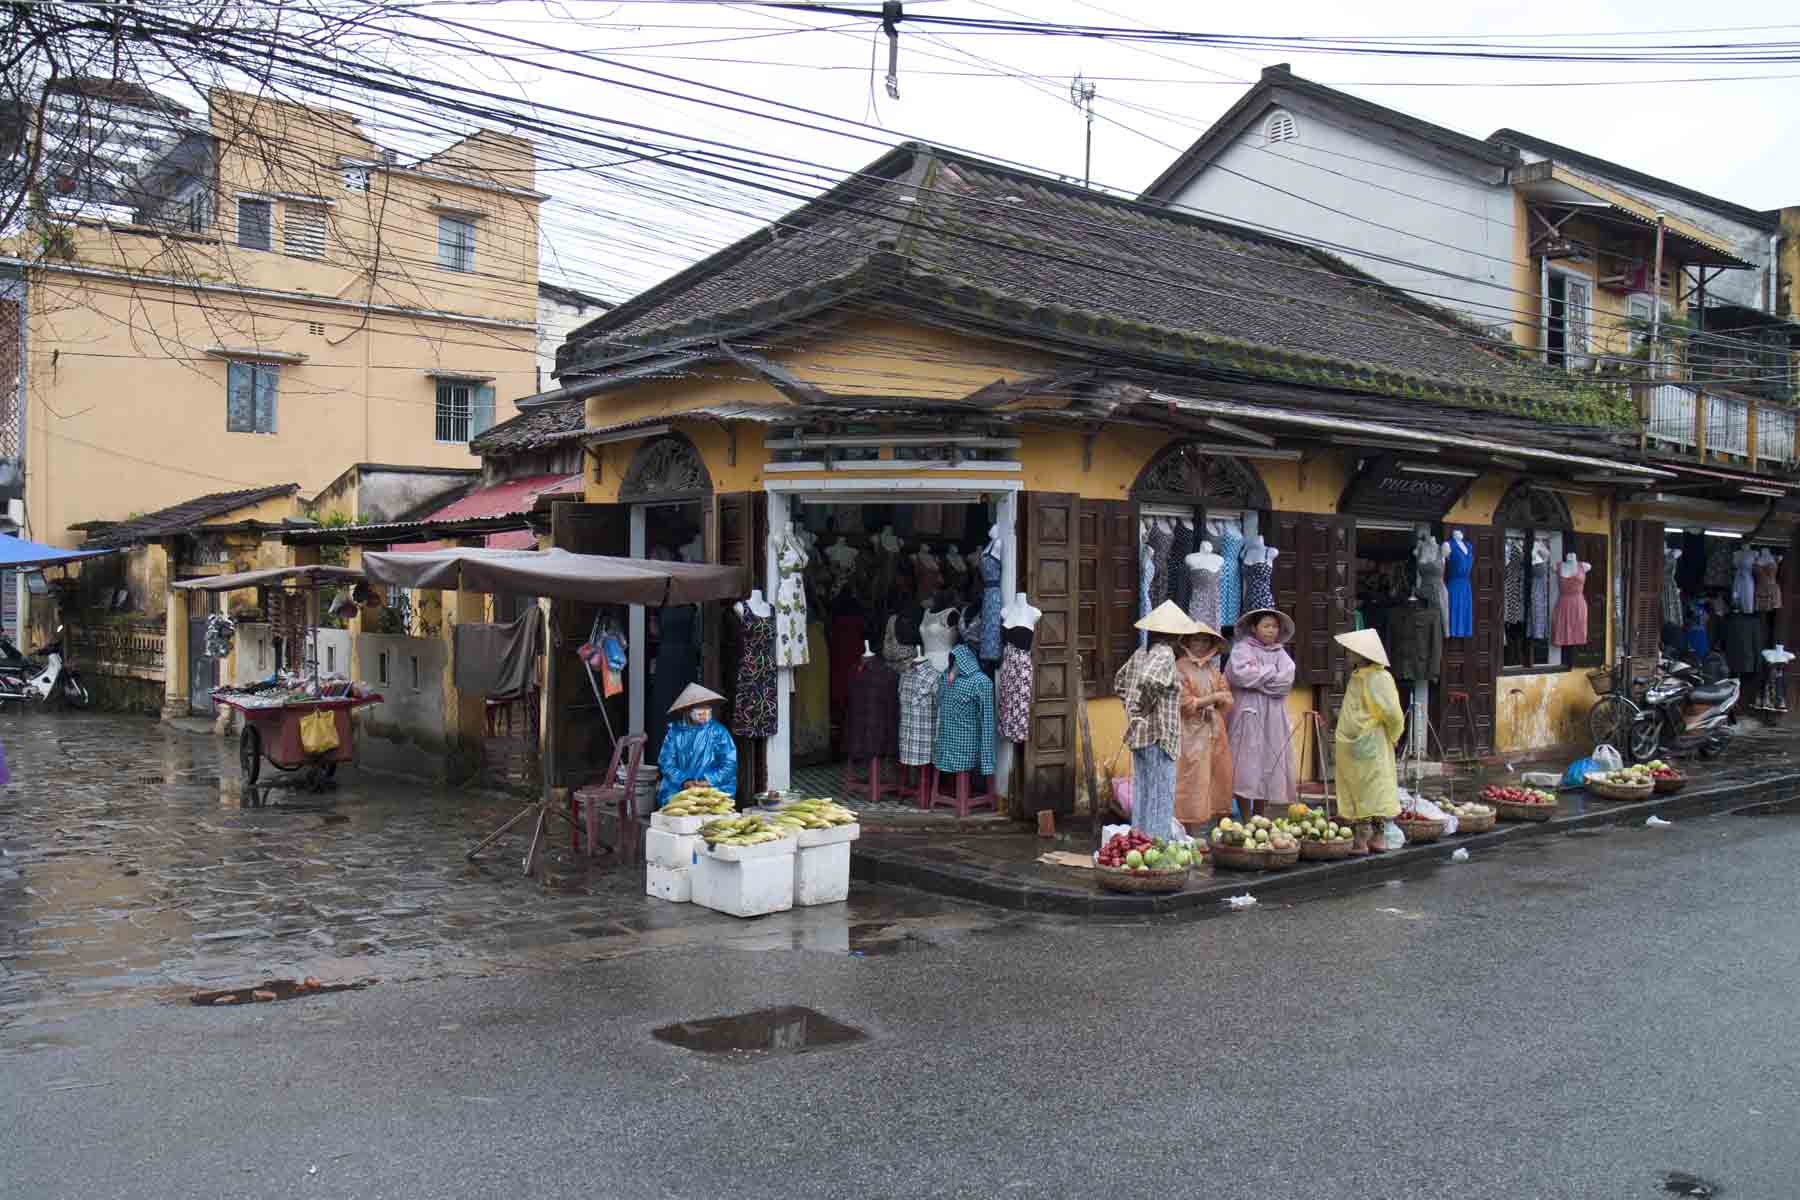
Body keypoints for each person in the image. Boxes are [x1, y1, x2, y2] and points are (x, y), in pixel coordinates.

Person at [1114, 600, 1203, 842]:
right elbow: (1149, 681)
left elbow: (1120, 682)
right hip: (1159, 736)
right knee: (1159, 797)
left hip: (1140, 735)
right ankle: (1156, 846)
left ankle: (1139, 843)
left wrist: (1133, 713)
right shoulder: (1164, 653)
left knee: (1143, 794)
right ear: (1175, 635)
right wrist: (1144, 708)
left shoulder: (1141, 653)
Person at [1332, 629, 1406, 855]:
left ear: (1361, 654)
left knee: (1370, 786)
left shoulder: (1379, 677)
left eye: (1350, 651)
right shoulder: (1359, 676)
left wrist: (1394, 735)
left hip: (1371, 739)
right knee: (1364, 785)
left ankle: (1367, 838)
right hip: (1355, 742)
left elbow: (1393, 713)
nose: (1347, 654)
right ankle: (1370, 838)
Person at [1224, 607, 1299, 820]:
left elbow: (1285, 682)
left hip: (1273, 717)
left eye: (1274, 626)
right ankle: (1246, 817)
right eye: (1266, 626)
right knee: (1245, 763)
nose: (1271, 630)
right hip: (1248, 714)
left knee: (1268, 762)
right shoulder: (1242, 649)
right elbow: (1240, 676)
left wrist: (1258, 676)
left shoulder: (1281, 653)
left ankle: (1260, 816)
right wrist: (1271, 672)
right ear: (1254, 628)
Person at [1174, 623, 1234, 833]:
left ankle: (1211, 831)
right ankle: (1186, 832)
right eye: (1196, 639)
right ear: (1188, 642)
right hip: (1189, 732)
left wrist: (1217, 701)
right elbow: (1184, 703)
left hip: (1214, 730)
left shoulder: (1212, 670)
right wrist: (1212, 698)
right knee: (1190, 781)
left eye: (1205, 640)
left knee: (1217, 777)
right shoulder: (1180, 667)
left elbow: (1227, 697)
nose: (1200, 644)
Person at [655, 683, 738, 808]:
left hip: (711, 788)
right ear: (688, 710)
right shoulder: (675, 732)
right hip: (679, 789)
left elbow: (729, 763)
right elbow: (666, 762)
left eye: (707, 709)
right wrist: (684, 781)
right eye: (699, 710)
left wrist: (708, 781)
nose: (704, 714)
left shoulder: (718, 731)